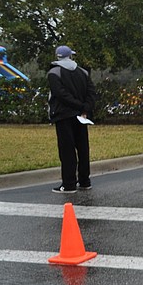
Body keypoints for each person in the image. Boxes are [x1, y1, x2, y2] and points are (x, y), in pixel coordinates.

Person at [47, 45, 97, 193]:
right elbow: (91, 93)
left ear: (58, 56)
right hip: (82, 116)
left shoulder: (54, 72)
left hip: (63, 115)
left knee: (67, 150)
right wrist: (84, 108)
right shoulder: (83, 72)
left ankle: (68, 184)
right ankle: (84, 181)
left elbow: (60, 94)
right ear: (71, 56)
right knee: (83, 148)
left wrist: (77, 106)